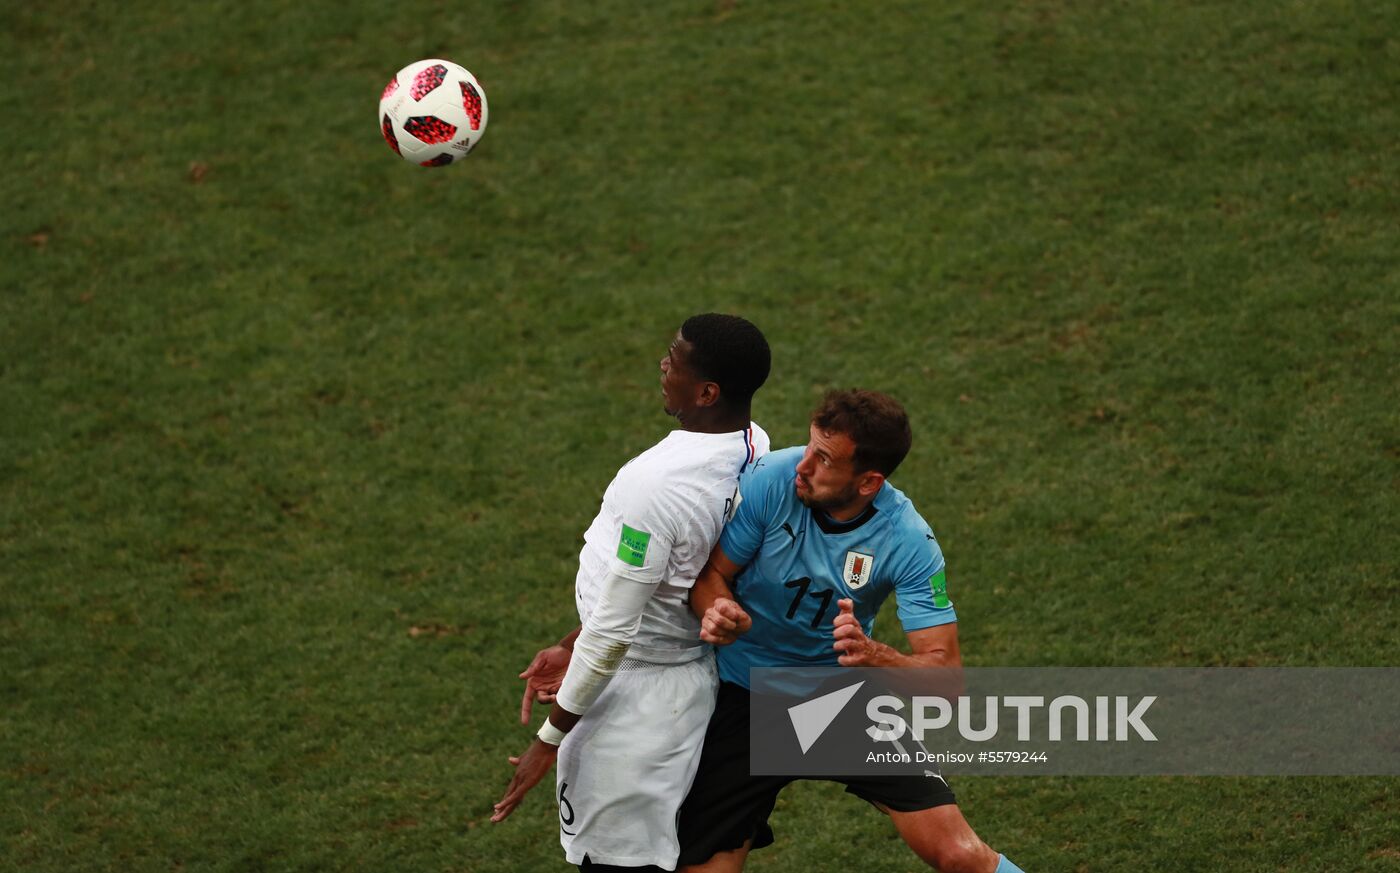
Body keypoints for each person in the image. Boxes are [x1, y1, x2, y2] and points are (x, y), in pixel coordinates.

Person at [677, 389, 1025, 873]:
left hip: (835, 698)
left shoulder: (908, 540)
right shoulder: (774, 481)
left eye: (823, 459)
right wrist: (718, 609)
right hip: (745, 692)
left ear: (868, 482)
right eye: (809, 446)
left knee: (962, 856)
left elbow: (947, 683)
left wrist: (878, 657)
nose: (803, 465)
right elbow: (711, 573)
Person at [491, 313, 773, 873]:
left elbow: (616, 628)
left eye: (675, 358)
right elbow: (665, 585)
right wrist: (574, 640)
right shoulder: (754, 445)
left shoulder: (655, 487)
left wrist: (547, 742)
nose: (663, 365)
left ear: (707, 391)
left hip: (637, 711)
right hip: (684, 681)